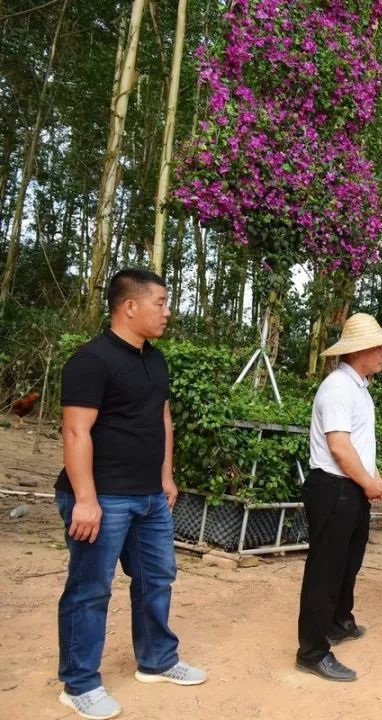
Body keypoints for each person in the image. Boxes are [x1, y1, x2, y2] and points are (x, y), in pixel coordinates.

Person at [55, 268, 207, 720]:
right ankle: (79, 683)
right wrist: (85, 498)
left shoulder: (154, 359)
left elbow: (160, 419)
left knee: (157, 578)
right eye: (160, 302)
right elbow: (75, 431)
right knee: (90, 590)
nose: (167, 311)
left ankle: (157, 660)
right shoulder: (91, 360)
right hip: (103, 498)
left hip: (148, 498)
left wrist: (165, 476)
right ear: (129, 306)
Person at [295, 313, 382, 682]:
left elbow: (356, 445)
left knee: (348, 562)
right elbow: (339, 448)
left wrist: (371, 478)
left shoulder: (358, 387)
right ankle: (312, 651)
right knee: (325, 569)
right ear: (359, 351)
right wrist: (367, 482)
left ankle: (337, 622)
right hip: (333, 488)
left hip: (350, 488)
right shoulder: (338, 387)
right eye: (380, 348)